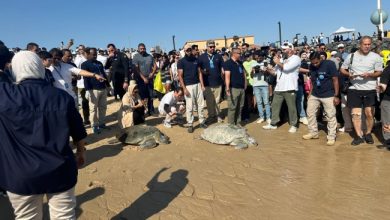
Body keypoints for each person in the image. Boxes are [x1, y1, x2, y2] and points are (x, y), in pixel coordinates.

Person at [0, 51, 87, 219]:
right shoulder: (62, 97)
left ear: (14, 69)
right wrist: (81, 152)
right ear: (40, 68)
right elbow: (78, 132)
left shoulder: (5, 95)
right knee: (64, 216)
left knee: (27, 217)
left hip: (20, 174)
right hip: (60, 170)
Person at [340, 36, 383, 145]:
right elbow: (342, 69)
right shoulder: (351, 56)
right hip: (354, 88)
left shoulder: (376, 57)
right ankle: (359, 136)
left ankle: (368, 133)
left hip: (370, 88)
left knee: (369, 113)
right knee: (355, 114)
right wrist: (349, 74)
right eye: (365, 44)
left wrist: (370, 74)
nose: (367, 46)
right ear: (360, 44)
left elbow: (379, 72)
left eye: (369, 44)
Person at [302, 52, 340, 145]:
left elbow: (335, 79)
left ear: (320, 59)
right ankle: (313, 133)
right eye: (313, 63)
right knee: (310, 113)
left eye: (316, 62)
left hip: (328, 94)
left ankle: (331, 136)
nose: (314, 64)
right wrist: (310, 94)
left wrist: (336, 95)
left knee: (330, 116)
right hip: (315, 94)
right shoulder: (311, 66)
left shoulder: (329, 64)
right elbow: (312, 80)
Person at [263, 43, 301, 133]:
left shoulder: (296, 58)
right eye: (282, 49)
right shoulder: (282, 60)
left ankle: (294, 125)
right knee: (275, 106)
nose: (282, 51)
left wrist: (277, 62)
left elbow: (286, 68)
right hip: (279, 87)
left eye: (285, 49)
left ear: (291, 49)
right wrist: (268, 69)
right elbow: (275, 73)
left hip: (290, 87)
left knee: (291, 108)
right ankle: (273, 123)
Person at [178, 45, 207, 133]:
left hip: (198, 84)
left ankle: (202, 121)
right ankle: (190, 123)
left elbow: (199, 73)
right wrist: (184, 88)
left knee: (201, 104)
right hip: (188, 86)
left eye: (190, 50)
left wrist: (202, 85)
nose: (189, 51)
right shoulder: (181, 61)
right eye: (187, 50)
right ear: (184, 51)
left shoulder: (196, 60)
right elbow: (180, 76)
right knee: (190, 106)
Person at [81, 47, 109, 134]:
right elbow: (85, 78)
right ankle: (94, 125)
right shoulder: (85, 64)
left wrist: (107, 85)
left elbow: (103, 74)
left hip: (102, 88)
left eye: (96, 54)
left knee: (103, 107)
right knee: (93, 109)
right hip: (93, 90)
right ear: (88, 54)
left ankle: (101, 123)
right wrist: (88, 90)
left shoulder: (99, 63)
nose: (95, 56)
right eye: (93, 54)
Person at [198, 40, 224, 124]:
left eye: (213, 46)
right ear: (206, 47)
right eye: (210, 47)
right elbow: (198, 70)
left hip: (218, 82)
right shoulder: (201, 57)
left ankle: (217, 115)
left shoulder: (218, 56)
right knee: (209, 102)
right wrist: (203, 71)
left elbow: (222, 68)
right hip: (207, 83)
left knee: (217, 101)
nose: (212, 48)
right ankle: (211, 116)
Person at [224, 48, 246, 125]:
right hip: (233, 88)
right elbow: (227, 76)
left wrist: (245, 84)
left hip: (241, 88)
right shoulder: (228, 63)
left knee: (240, 107)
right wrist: (227, 88)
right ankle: (231, 125)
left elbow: (243, 74)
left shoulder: (240, 63)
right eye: (239, 53)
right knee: (232, 107)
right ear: (234, 54)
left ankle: (238, 122)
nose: (240, 55)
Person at [132, 43, 156, 115]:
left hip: (150, 79)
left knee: (151, 96)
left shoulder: (149, 56)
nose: (142, 50)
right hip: (140, 80)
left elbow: (155, 65)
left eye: (144, 48)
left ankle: (151, 110)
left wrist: (152, 73)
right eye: (141, 49)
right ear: (138, 49)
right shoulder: (136, 57)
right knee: (142, 96)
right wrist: (143, 78)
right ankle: (142, 111)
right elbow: (136, 69)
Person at [251, 51, 271, 124]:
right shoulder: (253, 63)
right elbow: (251, 76)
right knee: (259, 102)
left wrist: (263, 70)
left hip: (264, 84)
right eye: (257, 56)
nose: (258, 57)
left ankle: (268, 117)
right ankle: (261, 117)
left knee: (266, 102)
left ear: (262, 57)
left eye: (259, 56)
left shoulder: (266, 63)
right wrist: (252, 71)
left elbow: (269, 74)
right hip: (256, 85)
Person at [378, 64, 390, 150]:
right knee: (387, 122)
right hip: (388, 99)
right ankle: (388, 142)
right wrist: (381, 88)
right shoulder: (388, 69)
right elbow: (383, 84)